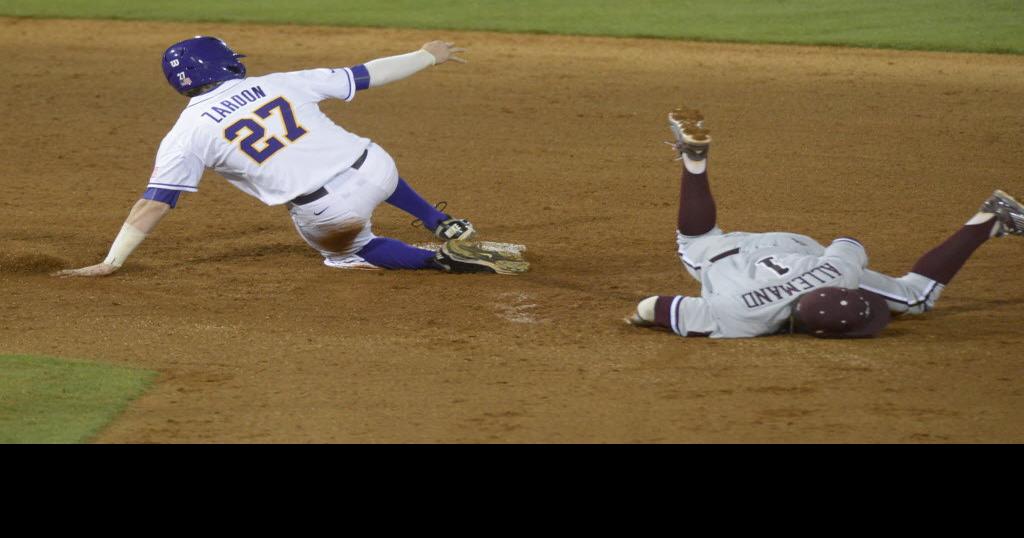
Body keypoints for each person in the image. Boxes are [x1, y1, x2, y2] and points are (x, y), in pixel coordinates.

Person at [55, 36, 528, 277]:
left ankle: (440, 261)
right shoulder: (279, 82)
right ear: (226, 63)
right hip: (379, 168)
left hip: (331, 212)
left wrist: (112, 261)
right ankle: (436, 220)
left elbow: (155, 202)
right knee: (362, 159)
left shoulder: (186, 133)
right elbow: (365, 74)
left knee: (349, 253)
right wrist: (426, 55)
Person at [626, 104, 1024, 338]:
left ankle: (992, 217)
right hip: (788, 247)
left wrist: (833, 270)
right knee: (696, 240)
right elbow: (652, 306)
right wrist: (640, 317)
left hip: (757, 252)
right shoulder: (741, 314)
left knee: (915, 298)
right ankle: (695, 163)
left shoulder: (827, 279)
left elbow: (848, 245)